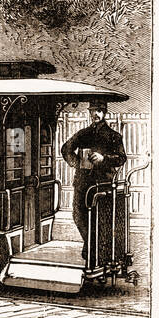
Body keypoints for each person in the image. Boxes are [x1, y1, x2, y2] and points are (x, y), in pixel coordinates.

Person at [61, 101, 127, 258]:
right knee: (78, 215)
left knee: (101, 217)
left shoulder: (113, 136)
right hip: (83, 183)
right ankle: (90, 244)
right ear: (90, 113)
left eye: (99, 111)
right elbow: (66, 149)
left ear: (104, 113)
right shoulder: (83, 134)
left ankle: (98, 252)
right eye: (93, 111)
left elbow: (121, 158)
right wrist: (77, 162)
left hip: (103, 183)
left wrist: (103, 159)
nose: (95, 114)